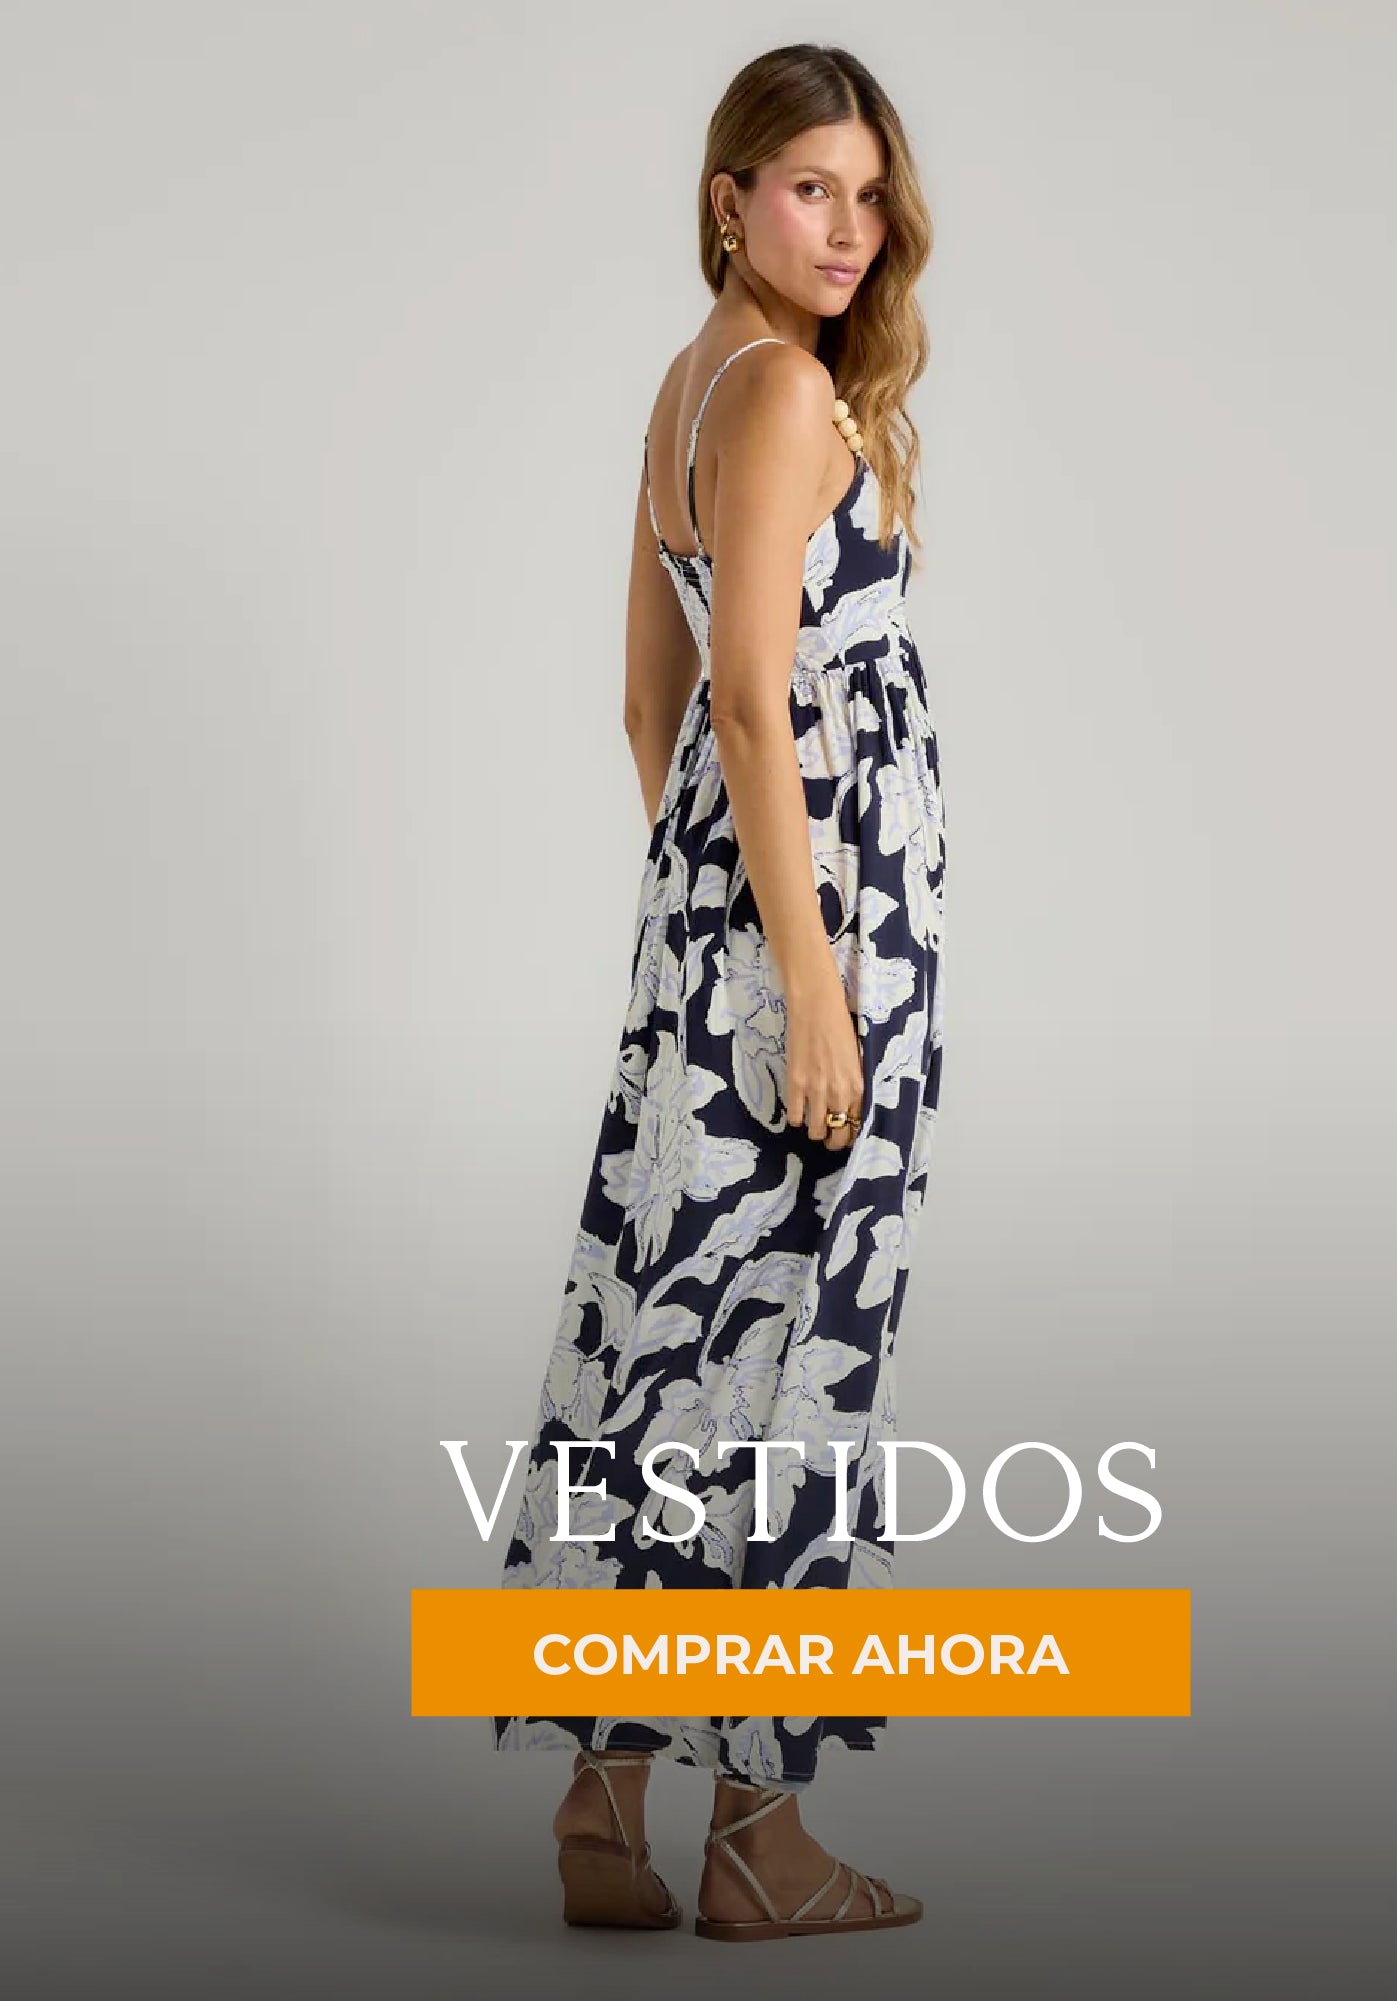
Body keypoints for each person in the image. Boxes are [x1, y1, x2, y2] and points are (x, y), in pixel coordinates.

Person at [491, 41, 944, 1943]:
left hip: (723, 926)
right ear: (728, 198)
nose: (847, 229)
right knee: (786, 1352)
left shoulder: (692, 382)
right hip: (815, 936)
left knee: (665, 1332)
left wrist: (710, 934)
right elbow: (743, 699)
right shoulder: (776, 393)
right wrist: (807, 982)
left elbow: (644, 705)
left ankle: (606, 1799)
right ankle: (759, 1832)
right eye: (809, 188)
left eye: (868, 193)